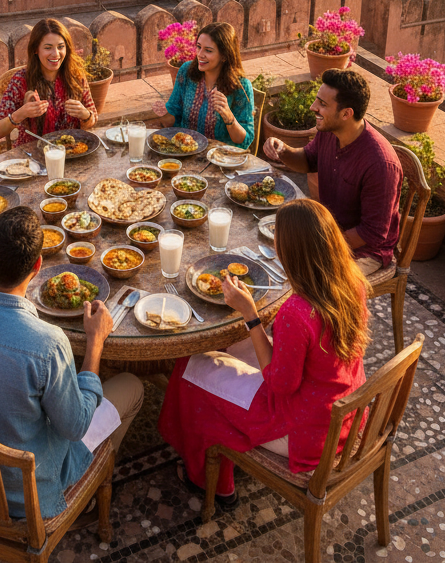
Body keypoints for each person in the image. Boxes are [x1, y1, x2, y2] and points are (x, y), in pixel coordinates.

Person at [0, 206, 145, 519]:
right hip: (24, 498)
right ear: (38, 266)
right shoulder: (48, 343)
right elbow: (75, 426)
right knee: (133, 387)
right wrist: (95, 343)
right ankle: (89, 491)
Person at [158, 200, 369, 503]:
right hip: (343, 411)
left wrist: (251, 316)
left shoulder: (297, 313)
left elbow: (280, 385)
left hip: (305, 433)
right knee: (227, 348)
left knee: (190, 369)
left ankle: (212, 484)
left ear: (291, 253)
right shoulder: (352, 282)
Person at [262, 68, 401, 275]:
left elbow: (372, 233)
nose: (313, 107)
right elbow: (309, 160)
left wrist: (318, 245)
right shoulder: (330, 132)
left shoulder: (380, 164)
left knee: (304, 278)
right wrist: (283, 150)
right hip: (327, 232)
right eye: (317, 100)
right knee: (271, 252)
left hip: (363, 252)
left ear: (346, 113)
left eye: (322, 104)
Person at [0, 18, 98, 148]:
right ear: (36, 49)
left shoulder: (75, 76)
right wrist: (20, 114)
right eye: (48, 48)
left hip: (72, 153)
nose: (55, 54)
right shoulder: (21, 81)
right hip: (33, 157)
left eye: (60, 47)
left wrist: (85, 115)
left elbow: (92, 120)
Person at [151, 21, 255, 148]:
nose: (200, 54)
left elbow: (244, 140)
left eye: (208, 50)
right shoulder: (186, 72)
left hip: (220, 159)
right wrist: (163, 113)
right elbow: (173, 120)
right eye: (199, 47)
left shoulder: (240, 86)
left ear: (224, 56)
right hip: (185, 152)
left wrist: (228, 116)